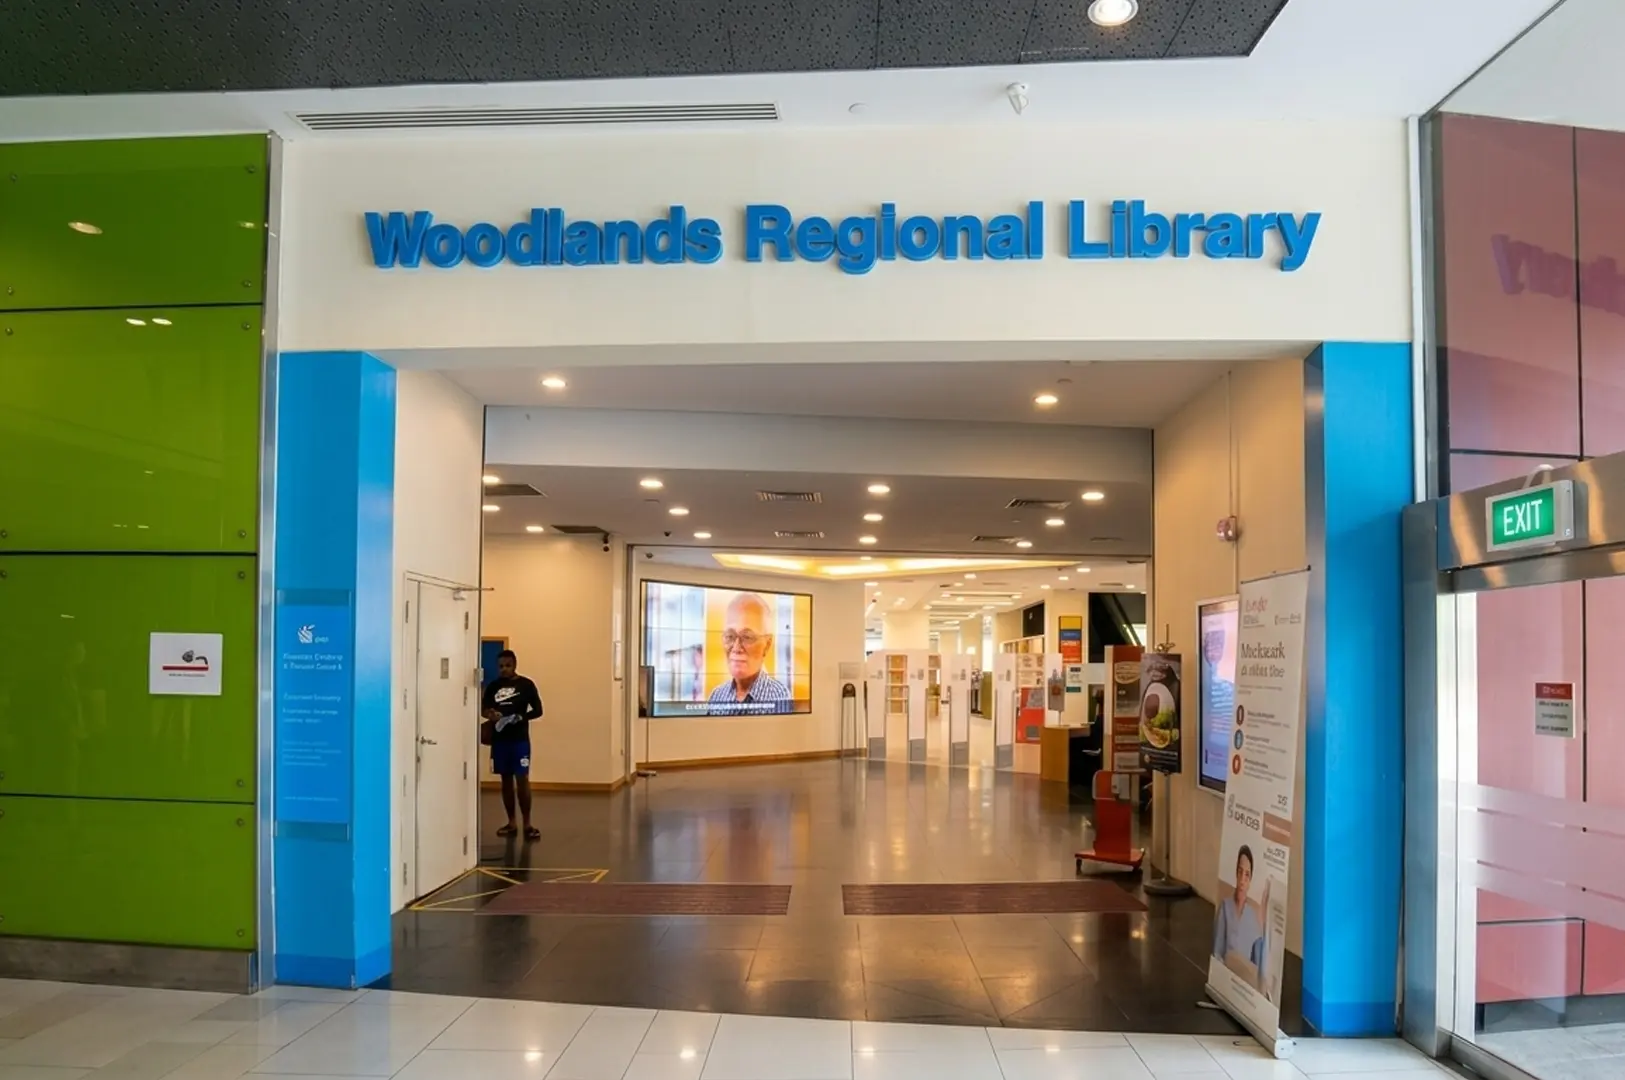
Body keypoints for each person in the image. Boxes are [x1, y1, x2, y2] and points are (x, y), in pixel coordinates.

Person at [481, 649, 543, 840]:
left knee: (522, 780)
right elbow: (484, 709)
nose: (504, 670)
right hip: (500, 740)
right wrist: (490, 714)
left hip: (520, 740)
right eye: (501, 666)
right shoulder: (492, 686)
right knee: (505, 781)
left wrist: (520, 716)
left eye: (508, 666)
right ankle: (511, 822)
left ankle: (527, 823)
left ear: (514, 665)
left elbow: (538, 710)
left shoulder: (526, 685)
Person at [706, 593, 791, 713]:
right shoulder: (717, 695)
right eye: (730, 636)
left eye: (747, 637)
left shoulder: (779, 696)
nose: (736, 647)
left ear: (767, 645)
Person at [1213, 845, 1270, 985]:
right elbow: (1217, 952)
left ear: (1250, 879)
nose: (1243, 879)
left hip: (1245, 987)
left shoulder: (1254, 917)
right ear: (1236, 873)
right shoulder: (1225, 907)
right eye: (1240, 872)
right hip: (1225, 980)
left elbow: (1259, 969)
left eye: (1247, 874)